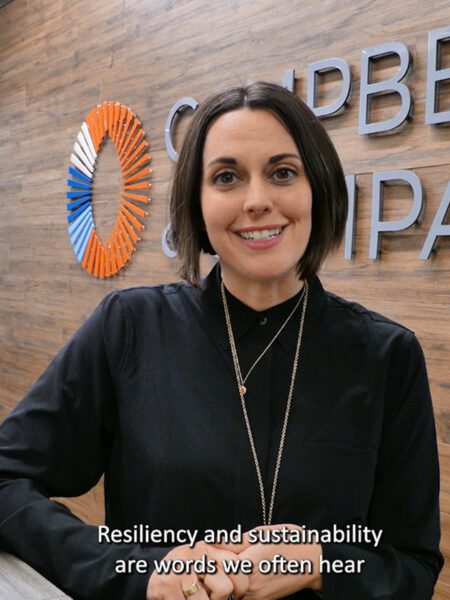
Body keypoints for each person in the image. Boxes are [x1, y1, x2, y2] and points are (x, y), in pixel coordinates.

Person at [0, 82, 443, 600]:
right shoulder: (131, 328)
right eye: (227, 177)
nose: (257, 201)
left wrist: (322, 563)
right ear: (198, 203)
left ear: (318, 189)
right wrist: (134, 570)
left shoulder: (385, 355)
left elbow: (412, 563)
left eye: (283, 173)